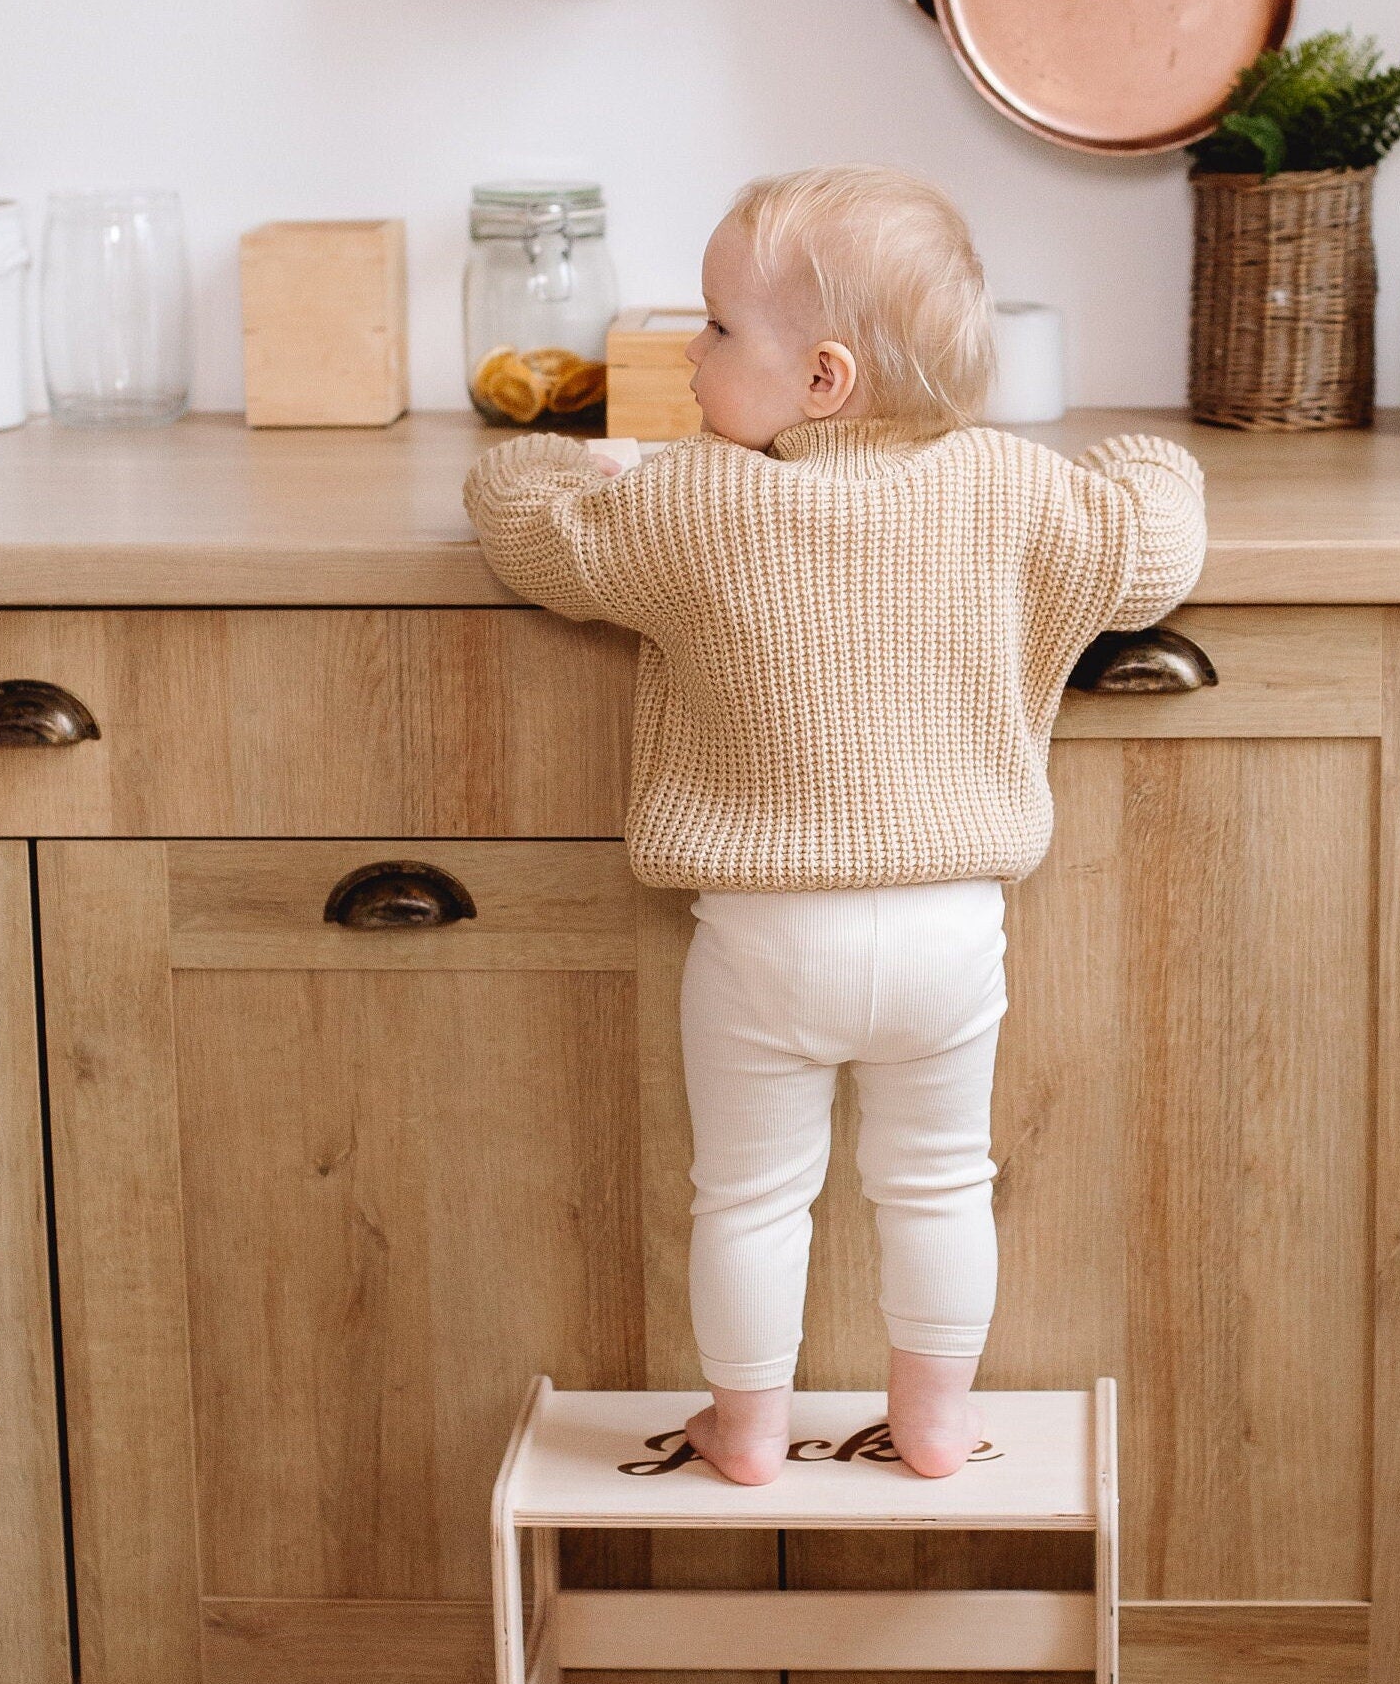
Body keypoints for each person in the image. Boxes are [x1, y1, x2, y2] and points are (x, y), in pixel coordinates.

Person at [464, 166, 1205, 1484]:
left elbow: (528, 529)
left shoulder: (692, 502)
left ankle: (747, 1427)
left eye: (716, 327)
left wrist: (559, 459)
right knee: (941, 1183)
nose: (688, 351)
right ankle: (933, 1421)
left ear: (823, 378)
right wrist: (1142, 452)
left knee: (750, 1197)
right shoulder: (1009, 487)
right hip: (948, 937)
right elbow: (1152, 540)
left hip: (763, 943)